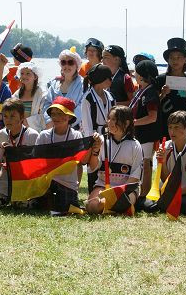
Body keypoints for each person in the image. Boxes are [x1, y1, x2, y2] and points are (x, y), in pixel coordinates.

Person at [35, 97, 96, 215]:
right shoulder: (43, 135)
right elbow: (36, 161)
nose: (55, 117)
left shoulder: (76, 136)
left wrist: (91, 145)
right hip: (46, 183)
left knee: (63, 205)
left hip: (67, 185)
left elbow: (82, 161)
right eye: (53, 114)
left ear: (69, 117)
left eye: (60, 114)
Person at [86, 106, 140, 214]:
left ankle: (112, 206)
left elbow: (135, 177)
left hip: (125, 189)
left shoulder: (135, 145)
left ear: (126, 123)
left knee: (122, 203)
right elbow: (92, 167)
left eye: (115, 119)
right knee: (92, 207)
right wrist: (95, 151)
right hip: (103, 185)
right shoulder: (101, 140)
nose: (110, 122)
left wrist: (116, 193)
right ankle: (110, 207)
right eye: (109, 118)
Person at [0, 98, 40, 208]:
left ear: (22, 117)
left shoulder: (33, 135)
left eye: (12, 116)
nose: (8, 120)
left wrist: (18, 154)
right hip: (6, 179)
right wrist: (2, 151)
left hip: (26, 180)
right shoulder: (1, 134)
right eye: (5, 116)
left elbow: (37, 165)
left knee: (22, 205)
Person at [154, 110, 186, 215]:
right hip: (166, 190)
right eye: (170, 127)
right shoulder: (165, 148)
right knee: (149, 204)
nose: (172, 131)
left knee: (184, 204)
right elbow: (164, 179)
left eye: (177, 127)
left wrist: (176, 193)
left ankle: (166, 203)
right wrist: (162, 162)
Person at [129, 59, 161, 210]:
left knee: (146, 164)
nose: (134, 74)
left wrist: (133, 123)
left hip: (146, 135)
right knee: (138, 165)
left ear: (141, 75)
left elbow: (152, 116)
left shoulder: (150, 91)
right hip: (138, 135)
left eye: (136, 71)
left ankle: (144, 195)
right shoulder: (141, 89)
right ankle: (137, 193)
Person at [79, 63, 115, 192]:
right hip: (95, 137)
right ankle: (93, 192)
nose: (111, 80)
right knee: (94, 166)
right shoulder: (88, 99)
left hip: (110, 136)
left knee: (109, 165)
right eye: (109, 78)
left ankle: (109, 191)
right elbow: (87, 125)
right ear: (102, 80)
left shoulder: (110, 96)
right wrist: (94, 141)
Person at [156, 37, 186, 140]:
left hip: (183, 124)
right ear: (168, 60)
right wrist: (162, 95)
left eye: (179, 57)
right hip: (163, 123)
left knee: (181, 152)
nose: (175, 60)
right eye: (172, 57)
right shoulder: (160, 79)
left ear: (185, 59)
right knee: (164, 152)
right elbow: (154, 104)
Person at [41, 49, 86, 123]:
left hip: (74, 127)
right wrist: (49, 121)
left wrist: (66, 123)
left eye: (70, 63)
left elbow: (82, 107)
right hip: (53, 125)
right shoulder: (54, 83)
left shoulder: (83, 84)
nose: (66, 65)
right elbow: (47, 103)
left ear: (77, 65)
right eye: (63, 62)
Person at [11, 61, 46, 131]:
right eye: (22, 73)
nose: (24, 76)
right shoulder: (16, 95)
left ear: (35, 76)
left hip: (36, 131)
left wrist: (28, 122)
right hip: (19, 130)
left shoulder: (43, 94)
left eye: (28, 74)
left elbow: (45, 115)